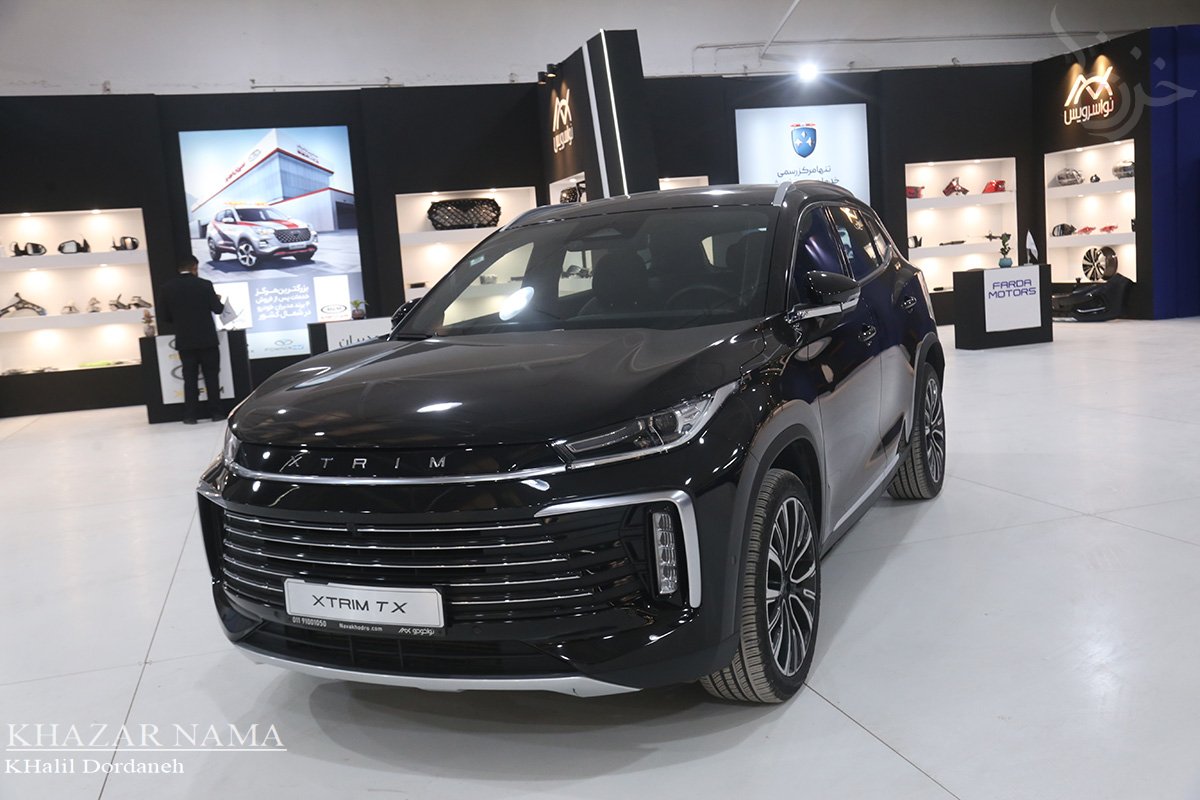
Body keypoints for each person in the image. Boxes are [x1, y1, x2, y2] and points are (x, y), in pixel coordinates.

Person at [159, 255, 225, 424]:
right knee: (211, 377)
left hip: (185, 341)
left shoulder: (167, 288)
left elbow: (165, 317)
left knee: (189, 379)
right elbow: (218, 310)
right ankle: (216, 413)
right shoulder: (205, 285)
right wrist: (217, 300)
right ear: (194, 267)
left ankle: (190, 415)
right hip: (207, 340)